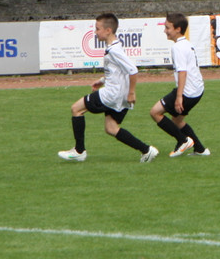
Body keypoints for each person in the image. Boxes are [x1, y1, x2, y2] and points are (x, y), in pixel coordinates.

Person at [58, 13, 158, 163]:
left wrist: (132, 93)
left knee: (76, 109)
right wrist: (102, 80)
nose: (95, 32)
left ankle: (79, 151)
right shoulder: (114, 47)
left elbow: (133, 70)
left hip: (111, 95)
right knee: (111, 128)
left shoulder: (114, 50)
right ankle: (147, 150)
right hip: (118, 95)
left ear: (108, 30)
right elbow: (119, 71)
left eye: (98, 29)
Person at [149, 12, 210, 157]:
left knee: (155, 112)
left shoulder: (178, 47)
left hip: (188, 92)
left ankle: (183, 141)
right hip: (197, 90)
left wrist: (179, 97)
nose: (165, 30)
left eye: (167, 27)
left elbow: (182, 72)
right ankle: (200, 150)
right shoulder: (186, 44)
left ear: (178, 29)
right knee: (177, 120)